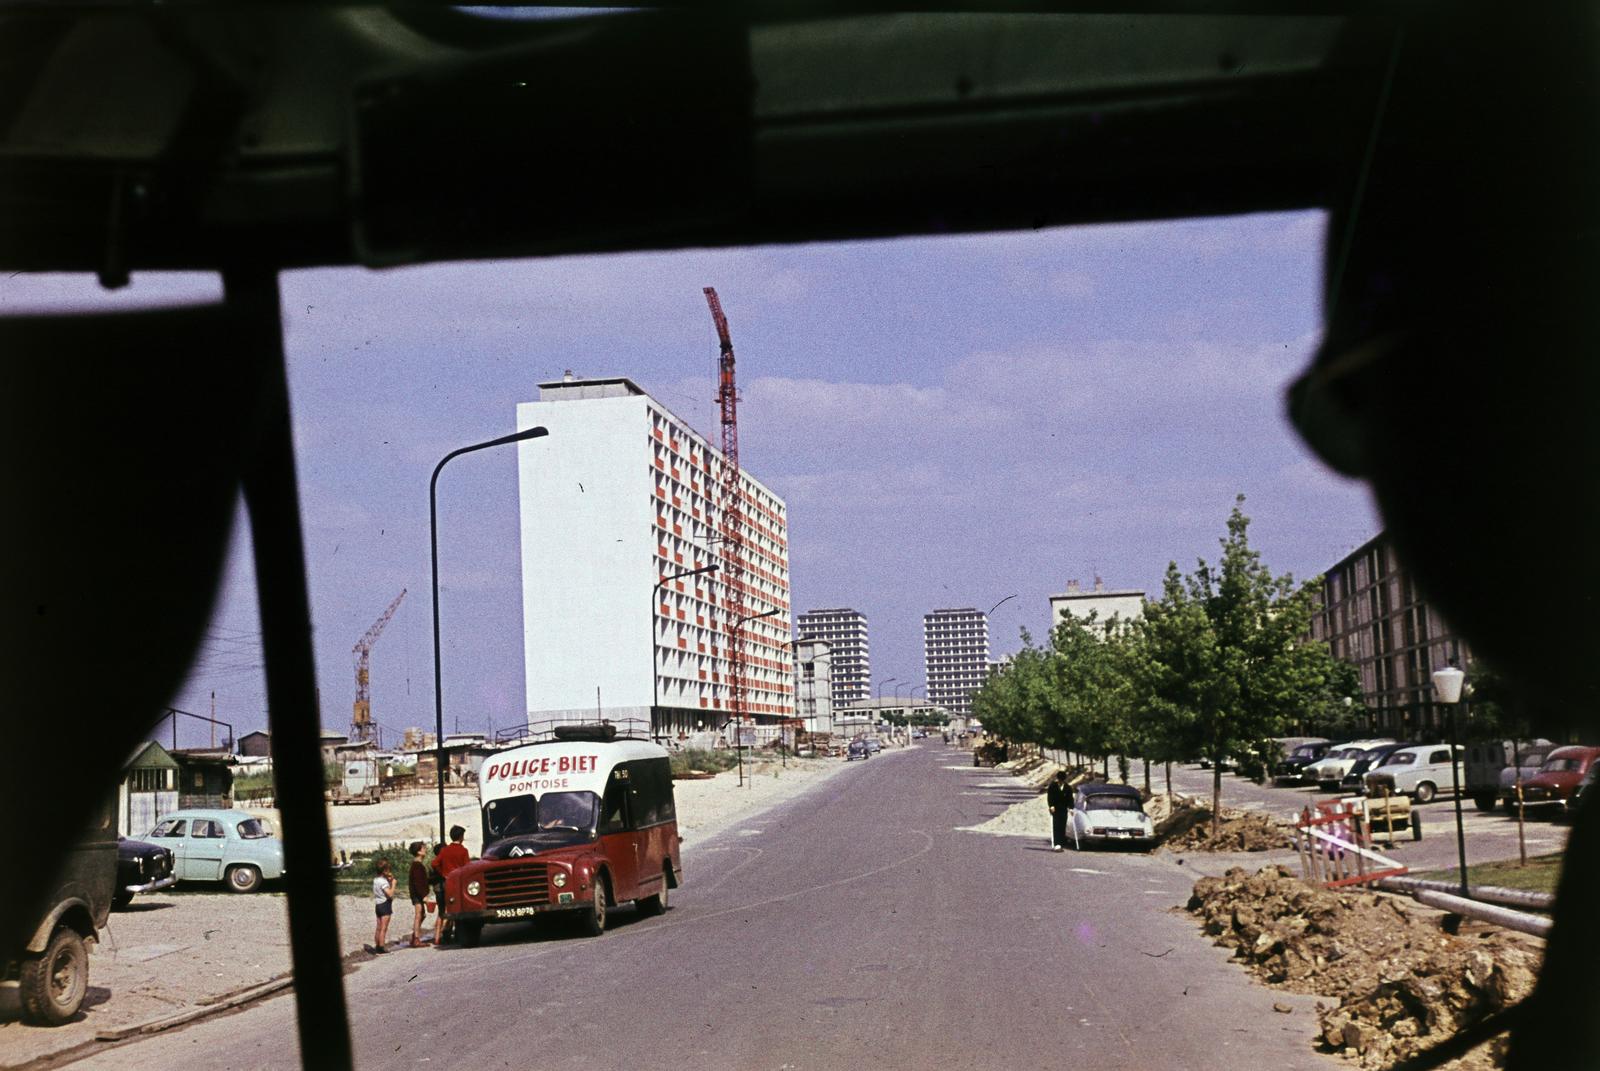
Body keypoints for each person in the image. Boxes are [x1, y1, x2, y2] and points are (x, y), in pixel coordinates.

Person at [433, 825, 471, 946]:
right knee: (458, 908)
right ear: (461, 837)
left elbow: (434, 863)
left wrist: (443, 873)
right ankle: (457, 933)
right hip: (458, 883)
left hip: (446, 882)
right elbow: (467, 868)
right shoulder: (463, 851)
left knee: (445, 909)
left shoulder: (445, 850)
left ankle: (445, 933)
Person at [406, 841, 430, 948]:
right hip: (417, 894)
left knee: (422, 914)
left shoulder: (417, 864)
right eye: (423, 848)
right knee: (418, 914)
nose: (425, 850)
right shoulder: (417, 865)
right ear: (419, 851)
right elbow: (418, 882)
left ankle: (414, 936)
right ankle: (416, 939)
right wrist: (423, 895)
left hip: (418, 893)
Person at [371, 859, 396, 953]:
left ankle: (377, 945)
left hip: (378, 904)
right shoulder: (383, 882)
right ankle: (381, 947)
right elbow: (389, 894)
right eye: (388, 870)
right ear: (385, 871)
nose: (389, 872)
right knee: (384, 928)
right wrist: (393, 884)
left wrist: (389, 880)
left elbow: (382, 890)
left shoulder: (376, 880)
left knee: (378, 927)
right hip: (385, 905)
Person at [1046, 770, 1071, 852]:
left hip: (1064, 809)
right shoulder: (1053, 786)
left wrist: (1071, 808)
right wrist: (1051, 806)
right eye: (1060, 780)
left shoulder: (1068, 787)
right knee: (1056, 825)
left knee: (1062, 826)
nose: (1061, 781)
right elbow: (1050, 797)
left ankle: (1061, 843)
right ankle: (1057, 844)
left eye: (1062, 780)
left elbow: (1070, 799)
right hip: (1055, 809)